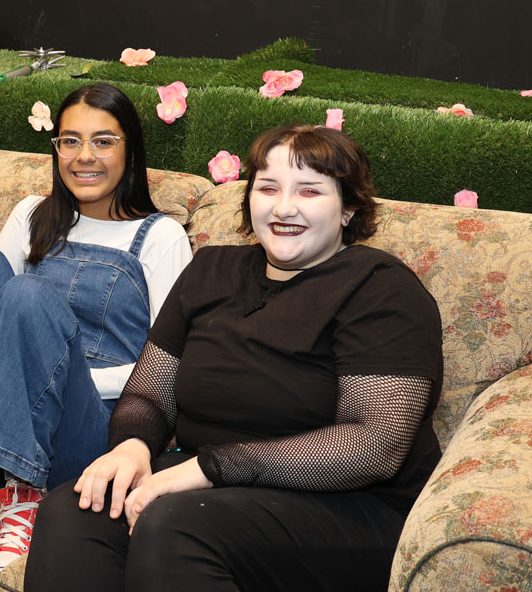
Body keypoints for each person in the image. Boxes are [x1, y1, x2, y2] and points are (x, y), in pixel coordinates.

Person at [24, 124, 444, 590]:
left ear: (348, 208)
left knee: (174, 524)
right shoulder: (210, 270)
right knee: (73, 509)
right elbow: (150, 394)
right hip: (211, 491)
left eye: (309, 191)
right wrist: (133, 446)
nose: (284, 208)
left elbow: (373, 446)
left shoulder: (381, 289)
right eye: (269, 188)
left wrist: (208, 469)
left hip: (349, 508)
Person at [0, 82, 193, 571]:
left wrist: (50, 374)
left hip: (93, 428)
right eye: (70, 141)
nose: (84, 156)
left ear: (131, 151)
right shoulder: (31, 213)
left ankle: (27, 490)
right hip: (8, 414)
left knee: (27, 294)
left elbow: (170, 368)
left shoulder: (161, 236)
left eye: (103, 141)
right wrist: (18, 378)